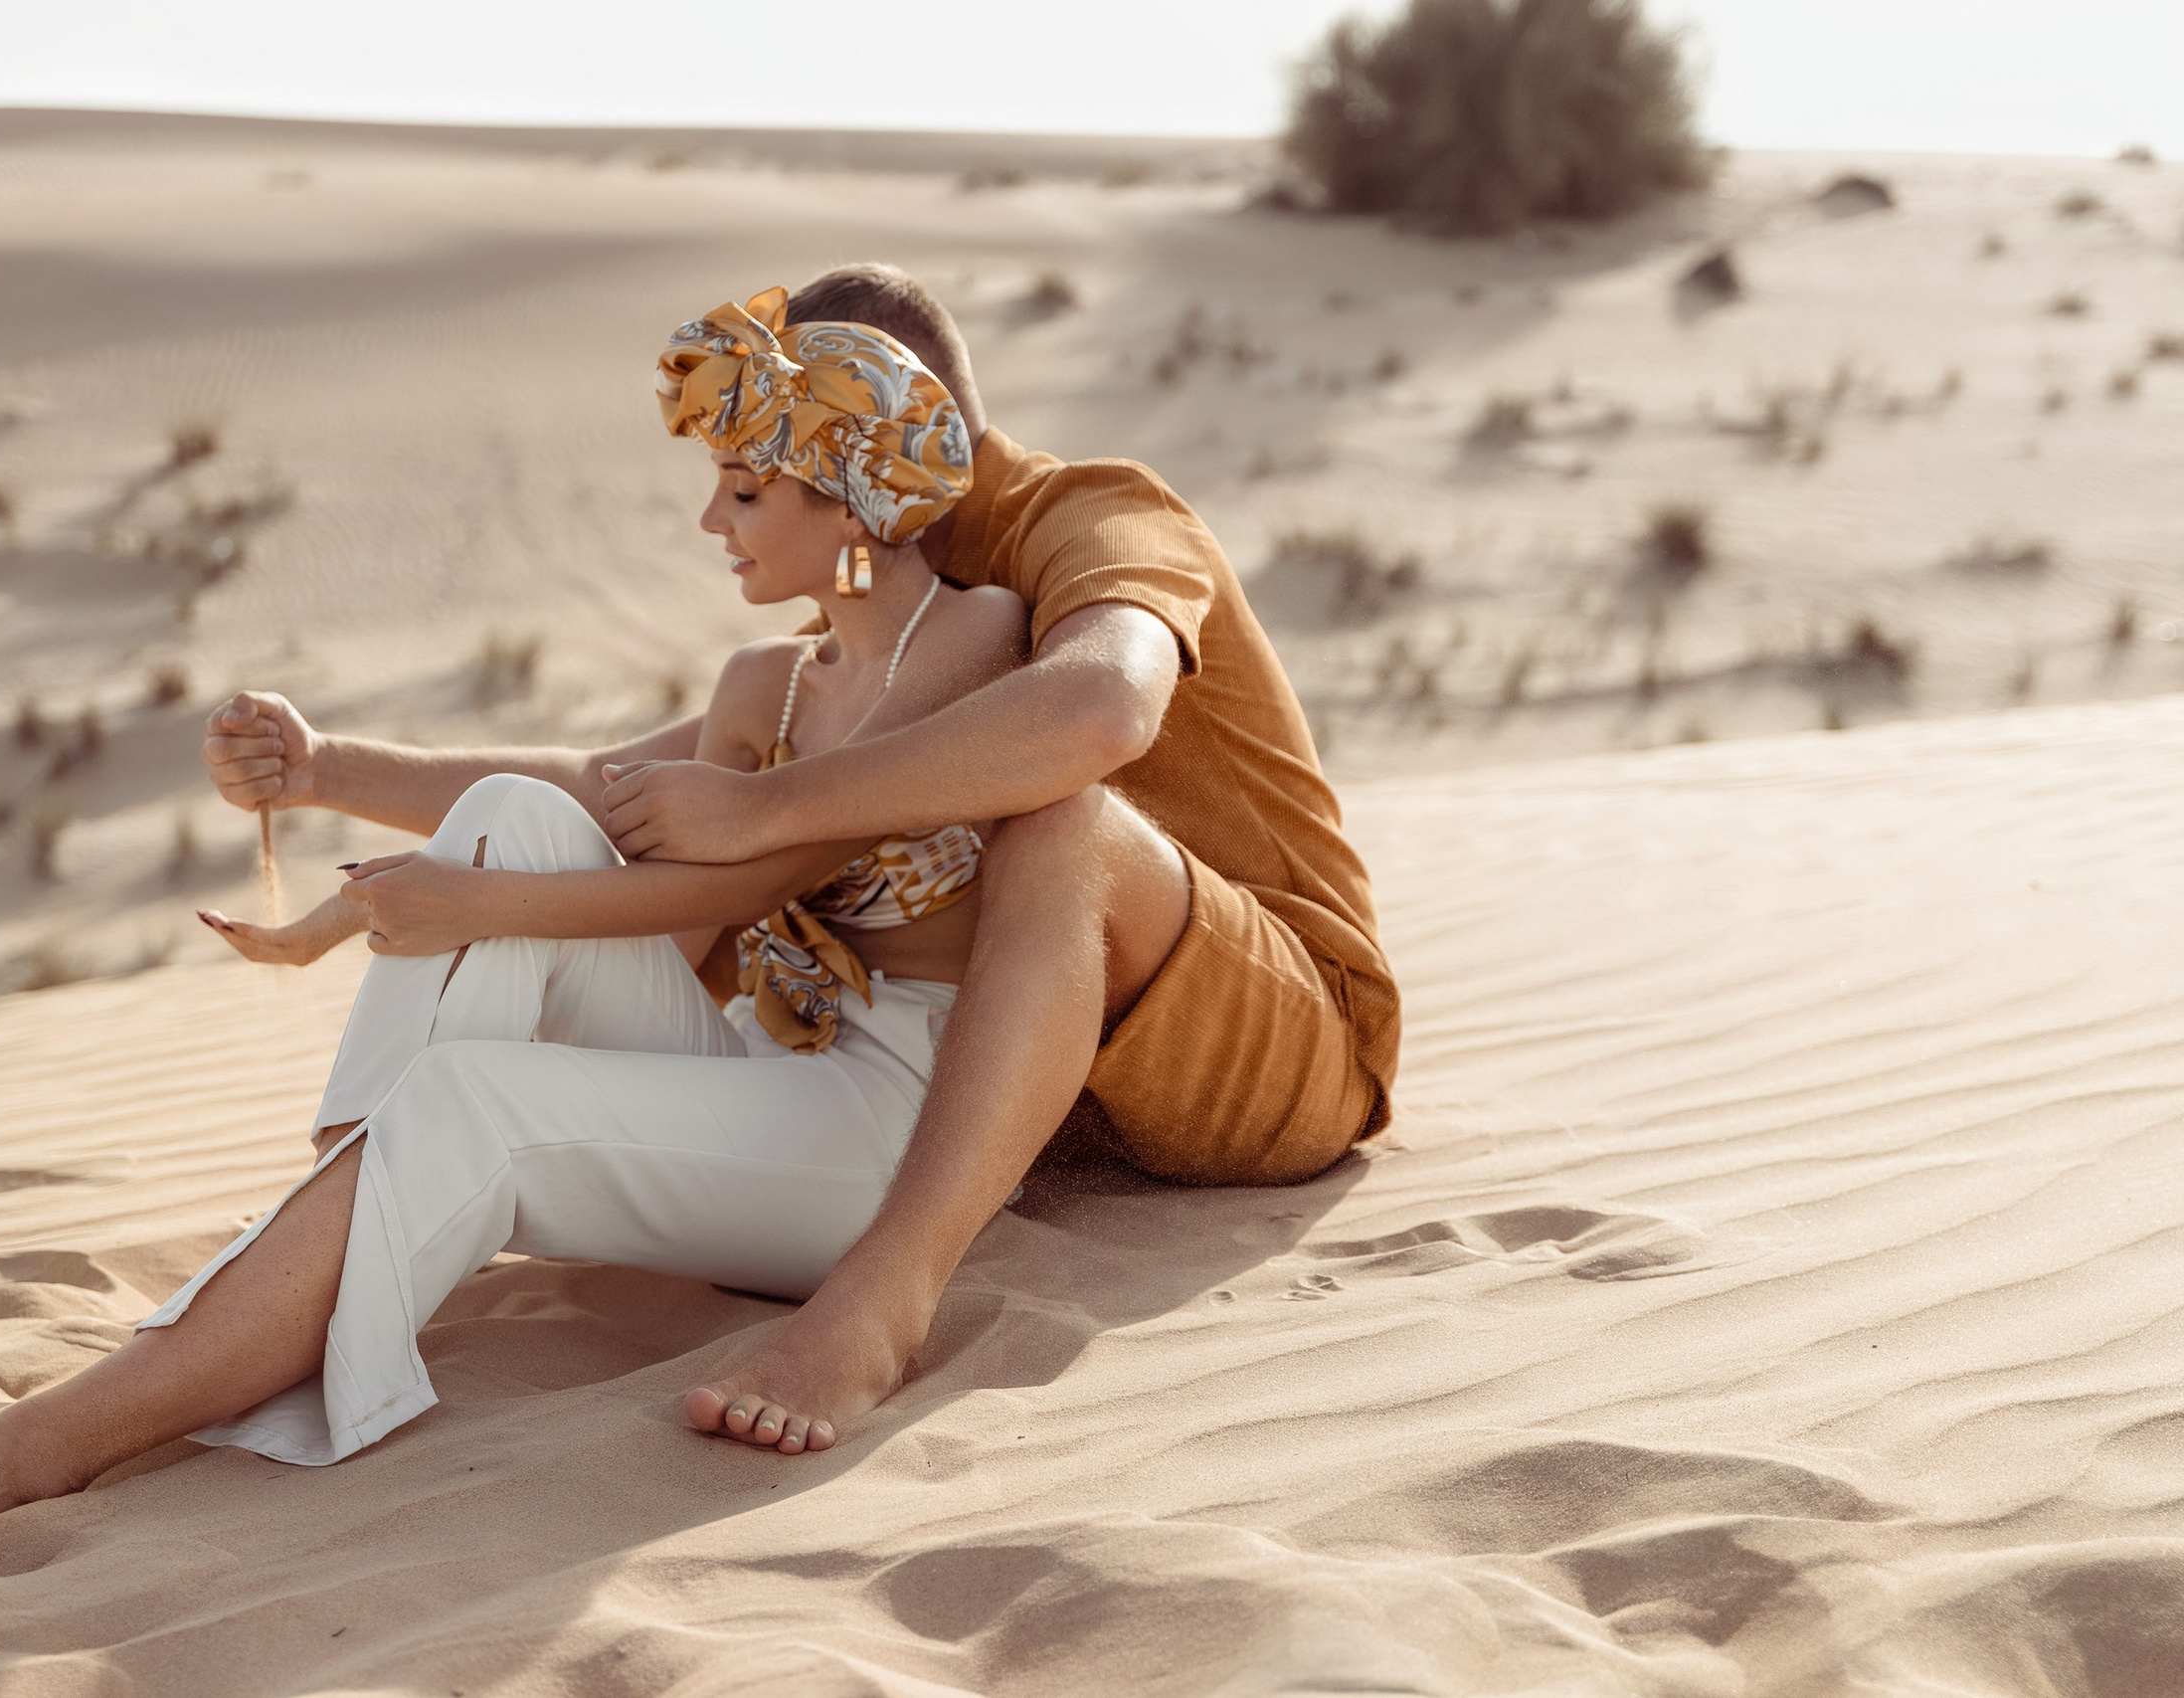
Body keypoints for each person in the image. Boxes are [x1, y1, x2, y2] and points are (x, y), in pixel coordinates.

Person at [0, 291, 1026, 1545]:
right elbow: (590, 819)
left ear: (846, 489)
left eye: (744, 489)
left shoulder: (976, 645)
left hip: (891, 1135)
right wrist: (337, 881)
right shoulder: (767, 679)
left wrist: (471, 904)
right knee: (520, 809)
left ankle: (51, 1435)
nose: (708, 518)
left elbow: (737, 884)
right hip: (763, 1066)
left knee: (474, 1092)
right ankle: (319, 1247)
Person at [206, 264, 1399, 1453]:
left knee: (1060, 811)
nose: (735, 487)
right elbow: (617, 788)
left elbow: (1093, 715)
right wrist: (325, 769)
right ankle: (339, 1225)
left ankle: (884, 1303)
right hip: (1065, 1087)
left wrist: (765, 811)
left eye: (768, 440)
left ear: (876, 408)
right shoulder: (869, 587)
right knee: (545, 829)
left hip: (1278, 1042)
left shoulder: (1094, 519)